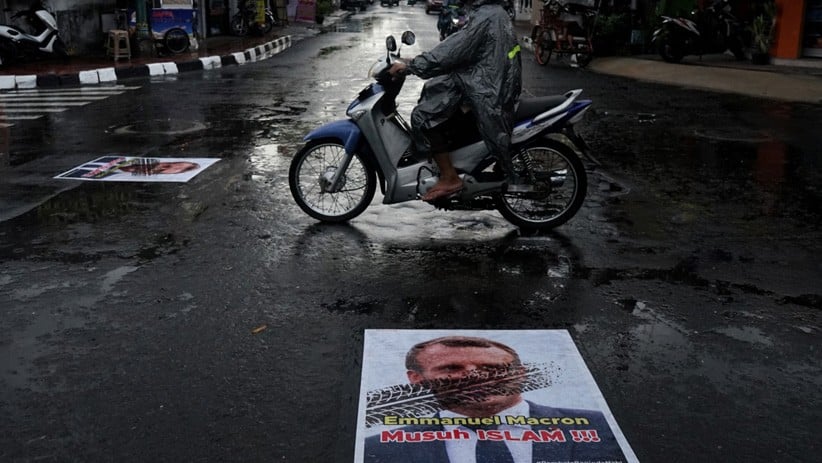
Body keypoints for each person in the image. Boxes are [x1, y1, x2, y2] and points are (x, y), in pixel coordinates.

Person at [363, 336, 627, 462]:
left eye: (493, 368)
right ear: (416, 379)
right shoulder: (378, 450)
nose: (475, 376)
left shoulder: (604, 427)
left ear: (521, 375)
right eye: (451, 368)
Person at [388, 0, 525, 202]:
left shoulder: (485, 17)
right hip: (492, 84)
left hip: (485, 91)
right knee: (435, 90)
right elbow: (458, 47)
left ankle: (449, 177)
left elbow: (450, 52)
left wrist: (412, 66)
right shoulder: (495, 12)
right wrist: (415, 62)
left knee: (424, 116)